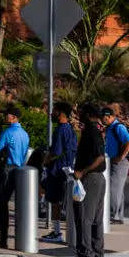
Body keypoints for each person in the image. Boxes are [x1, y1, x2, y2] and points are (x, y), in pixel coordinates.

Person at [68, 103, 108, 257]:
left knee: (84, 217)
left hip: (89, 179)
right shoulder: (95, 131)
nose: (79, 114)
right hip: (97, 179)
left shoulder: (91, 132)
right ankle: (97, 256)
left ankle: (85, 255)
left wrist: (82, 172)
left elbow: (100, 158)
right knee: (96, 220)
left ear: (89, 114)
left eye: (82, 112)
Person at [0, 104, 30, 248]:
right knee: (3, 203)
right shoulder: (25, 134)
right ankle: (2, 239)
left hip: (5, 170)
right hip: (18, 170)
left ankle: (0, 238)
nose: (5, 116)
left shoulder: (7, 133)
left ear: (13, 117)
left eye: (7, 114)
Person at [43, 102, 77, 245]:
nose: (51, 113)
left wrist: (46, 160)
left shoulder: (60, 130)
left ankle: (57, 232)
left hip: (57, 170)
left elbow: (56, 152)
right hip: (67, 168)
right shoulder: (70, 129)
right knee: (63, 202)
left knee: (55, 202)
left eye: (54, 111)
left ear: (61, 113)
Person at [101, 106, 129, 225]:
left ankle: (112, 215)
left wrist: (120, 157)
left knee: (114, 189)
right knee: (118, 190)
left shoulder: (118, 127)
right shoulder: (110, 128)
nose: (102, 120)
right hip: (113, 161)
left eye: (103, 117)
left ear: (109, 116)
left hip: (119, 163)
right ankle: (118, 216)